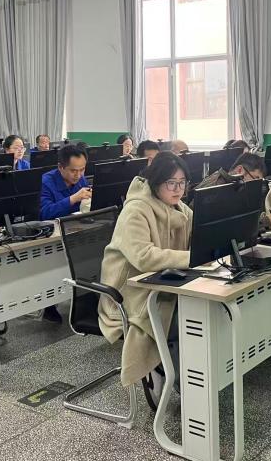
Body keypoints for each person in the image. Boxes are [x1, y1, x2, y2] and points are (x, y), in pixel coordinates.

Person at [98, 151, 193, 407]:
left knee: (203, 312)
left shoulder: (181, 210)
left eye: (182, 182)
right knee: (184, 321)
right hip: (128, 294)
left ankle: (188, 377)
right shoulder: (136, 211)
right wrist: (191, 258)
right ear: (155, 183)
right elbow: (144, 257)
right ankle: (179, 381)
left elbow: (199, 238)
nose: (178, 189)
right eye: (171, 183)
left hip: (163, 284)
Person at [193, 152, 271, 231]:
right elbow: (226, 229)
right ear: (239, 170)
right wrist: (265, 222)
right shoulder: (216, 189)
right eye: (255, 179)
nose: (255, 186)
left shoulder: (232, 184)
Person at [39, 143, 91, 220]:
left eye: (82, 169)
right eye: (73, 171)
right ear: (60, 167)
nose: (78, 175)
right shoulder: (45, 182)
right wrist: (73, 199)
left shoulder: (81, 179)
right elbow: (44, 214)